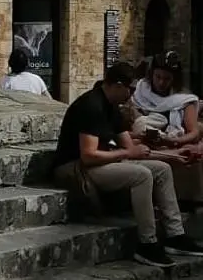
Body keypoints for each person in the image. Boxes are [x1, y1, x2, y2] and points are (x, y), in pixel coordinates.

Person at [52, 60, 203, 267]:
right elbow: (89, 155)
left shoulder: (113, 107)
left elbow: (131, 148)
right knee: (141, 176)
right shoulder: (91, 105)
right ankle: (147, 243)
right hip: (78, 167)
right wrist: (128, 152)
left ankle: (175, 235)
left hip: (100, 162)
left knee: (162, 170)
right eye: (130, 89)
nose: (132, 95)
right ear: (118, 85)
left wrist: (175, 156)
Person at [132, 53, 203, 204]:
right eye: (158, 77)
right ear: (152, 75)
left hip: (172, 141)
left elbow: (194, 131)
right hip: (144, 140)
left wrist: (173, 140)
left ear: (174, 80)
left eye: (167, 79)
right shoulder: (141, 92)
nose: (161, 82)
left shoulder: (184, 99)